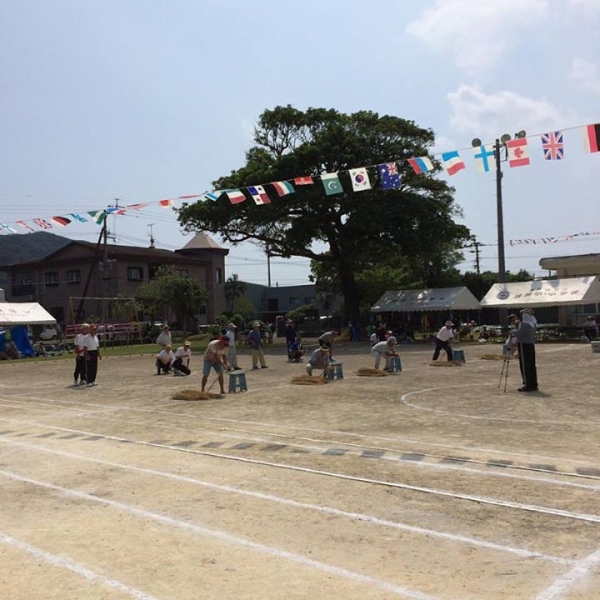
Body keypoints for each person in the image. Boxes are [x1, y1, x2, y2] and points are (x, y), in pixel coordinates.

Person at [515, 308, 538, 392]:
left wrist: (514, 330)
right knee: (532, 365)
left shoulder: (525, 325)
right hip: (531, 344)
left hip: (523, 344)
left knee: (525, 365)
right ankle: (533, 384)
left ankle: (527, 384)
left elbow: (518, 334)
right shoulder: (533, 324)